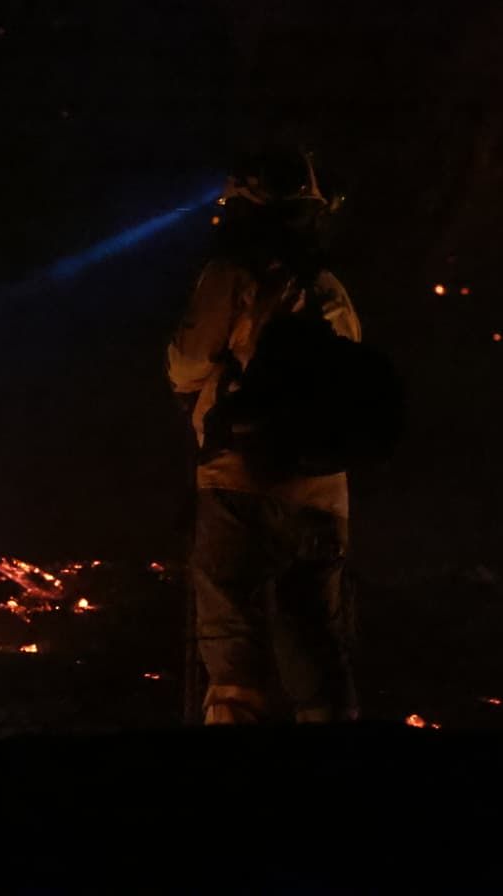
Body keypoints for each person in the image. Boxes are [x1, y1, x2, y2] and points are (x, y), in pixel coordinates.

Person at [168, 148, 360, 725]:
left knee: (232, 638)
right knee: (316, 639)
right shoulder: (332, 290)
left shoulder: (233, 275)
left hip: (237, 478)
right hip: (324, 491)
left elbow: (186, 362)